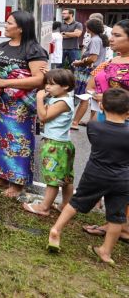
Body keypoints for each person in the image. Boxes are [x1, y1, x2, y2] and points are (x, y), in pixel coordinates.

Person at [47, 88, 129, 266]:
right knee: (117, 216)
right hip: (122, 178)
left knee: (76, 203)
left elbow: (95, 138)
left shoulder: (94, 126)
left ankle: (56, 229)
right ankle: (105, 252)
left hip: (95, 174)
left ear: (101, 106)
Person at [0, 10, 48, 198]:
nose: (5, 25)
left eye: (9, 23)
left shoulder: (34, 50)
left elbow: (39, 80)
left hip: (20, 107)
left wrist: (5, 82)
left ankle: (17, 183)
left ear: (21, 28)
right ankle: (1, 176)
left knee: (19, 142)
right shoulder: (1, 47)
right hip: (1, 103)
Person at [78, 19, 129, 242]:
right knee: (107, 167)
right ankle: (114, 223)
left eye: (118, 35)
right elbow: (94, 80)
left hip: (125, 122)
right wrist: (97, 94)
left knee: (123, 172)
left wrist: (107, 97)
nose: (111, 38)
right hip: (105, 117)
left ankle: (123, 226)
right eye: (112, 34)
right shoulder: (111, 59)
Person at [22, 68, 76, 216]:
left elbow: (43, 117)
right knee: (65, 177)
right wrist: (52, 74)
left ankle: (44, 207)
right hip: (63, 144)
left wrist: (39, 99)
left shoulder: (62, 102)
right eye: (47, 83)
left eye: (51, 84)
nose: (47, 87)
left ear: (65, 86)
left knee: (52, 178)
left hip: (55, 145)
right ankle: (65, 205)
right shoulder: (63, 97)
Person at [70, 19, 107, 129]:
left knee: (84, 97)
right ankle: (92, 122)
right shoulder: (100, 39)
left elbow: (93, 58)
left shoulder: (95, 40)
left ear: (90, 28)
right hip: (98, 71)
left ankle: (75, 122)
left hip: (90, 72)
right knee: (93, 97)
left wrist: (79, 62)